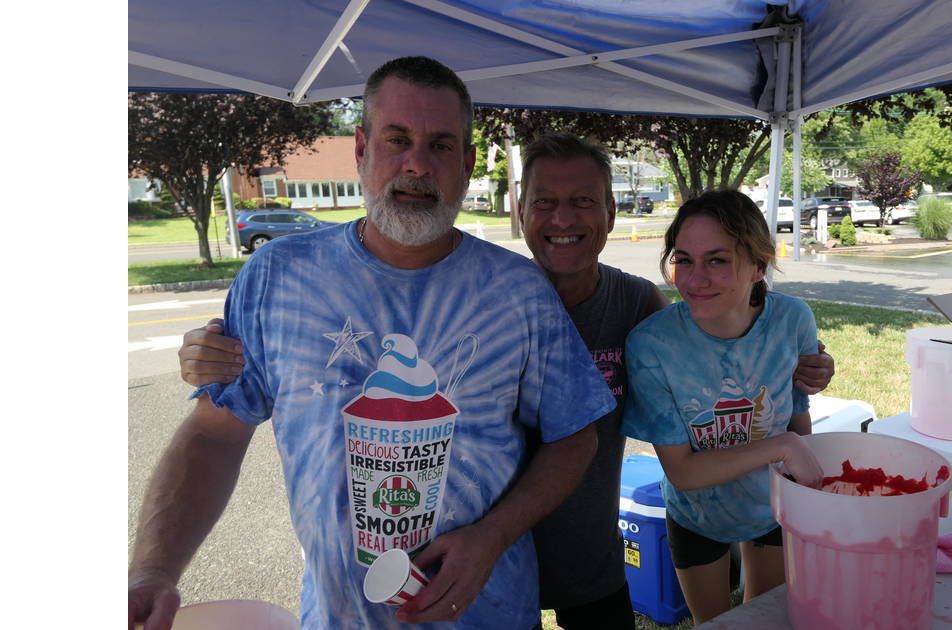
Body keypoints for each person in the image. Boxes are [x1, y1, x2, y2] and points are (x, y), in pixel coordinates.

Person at [177, 137, 837, 629]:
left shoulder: (641, 309)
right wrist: (215, 354)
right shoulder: (479, 296)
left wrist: (798, 365)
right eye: (544, 201)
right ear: (519, 211)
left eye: (583, 200)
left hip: (586, 562)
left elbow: (710, 365)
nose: (563, 217)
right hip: (462, 576)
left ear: (612, 211)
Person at [128, 57, 617, 630]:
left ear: (465, 163)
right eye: (397, 139)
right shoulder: (276, 276)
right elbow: (214, 432)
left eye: (440, 145)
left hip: (492, 614)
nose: (416, 164)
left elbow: (575, 435)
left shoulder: (519, 291)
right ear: (361, 149)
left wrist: (492, 535)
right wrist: (154, 571)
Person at [620, 189, 824, 625]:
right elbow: (684, 471)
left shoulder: (793, 320)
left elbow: (796, 411)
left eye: (717, 260)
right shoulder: (652, 344)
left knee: (762, 619)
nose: (694, 280)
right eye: (684, 259)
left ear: (758, 265)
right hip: (697, 516)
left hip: (772, 507)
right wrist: (781, 446)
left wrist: (801, 484)